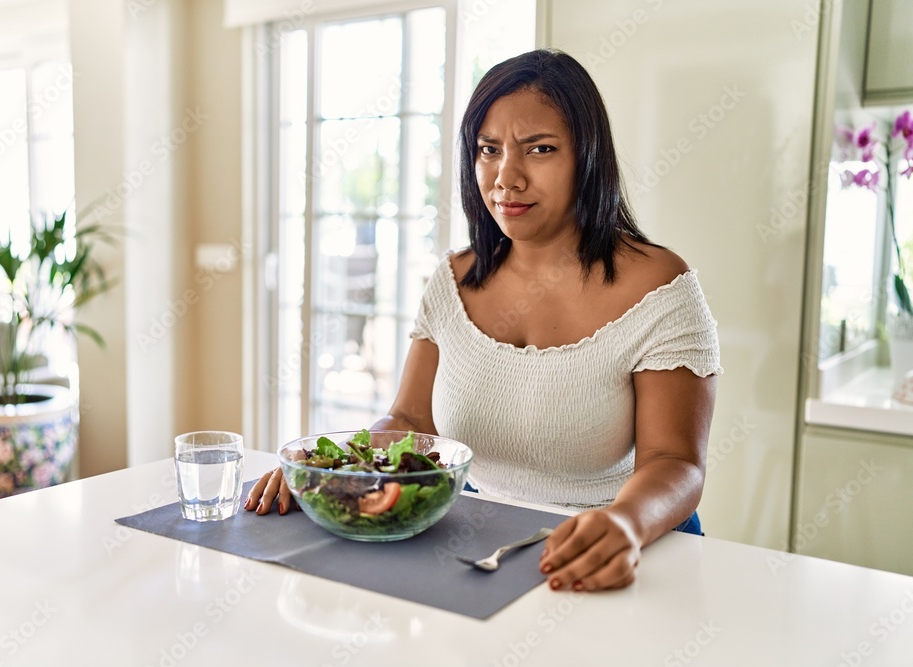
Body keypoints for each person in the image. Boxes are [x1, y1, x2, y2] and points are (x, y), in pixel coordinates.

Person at [246, 48, 721, 593]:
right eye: (488, 151)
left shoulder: (659, 284)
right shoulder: (453, 278)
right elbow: (410, 419)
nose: (505, 178)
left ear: (588, 157)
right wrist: (329, 469)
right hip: (476, 542)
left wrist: (624, 523)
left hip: (625, 545)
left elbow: (676, 461)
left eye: (539, 150)